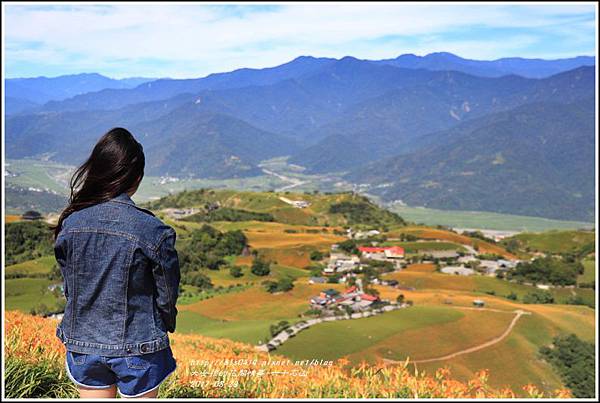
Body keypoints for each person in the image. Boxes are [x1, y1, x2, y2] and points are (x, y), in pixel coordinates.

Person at [52, 127, 180, 398]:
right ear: (137, 177)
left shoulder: (70, 223)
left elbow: (70, 289)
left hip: (83, 344)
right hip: (139, 346)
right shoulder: (154, 230)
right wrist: (166, 323)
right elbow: (167, 296)